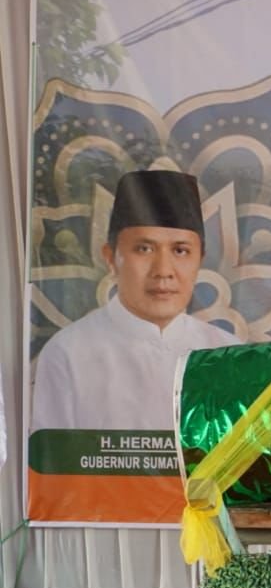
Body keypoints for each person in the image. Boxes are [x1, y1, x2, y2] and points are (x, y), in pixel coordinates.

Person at [32, 170, 238, 433]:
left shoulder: (229, 356)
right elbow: (50, 457)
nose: (163, 271)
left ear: (200, 259)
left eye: (180, 251)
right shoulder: (68, 352)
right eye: (144, 249)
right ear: (110, 257)